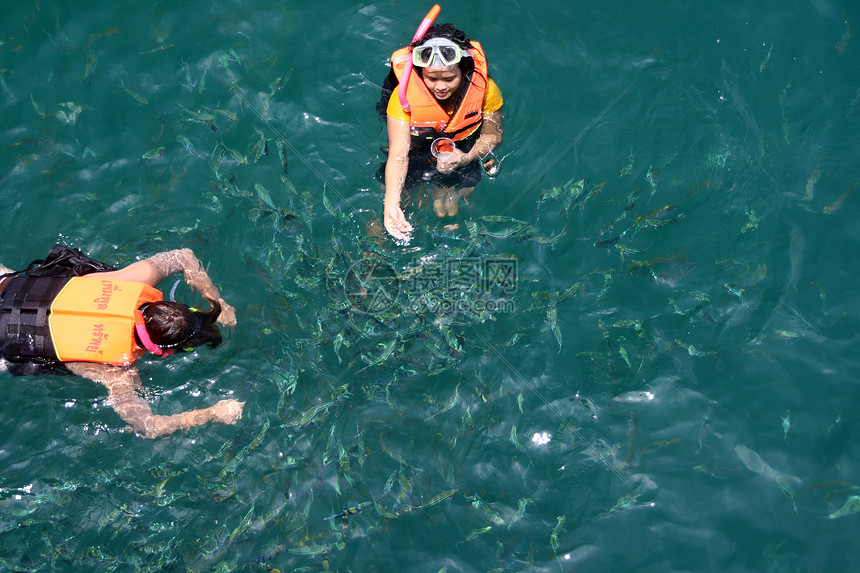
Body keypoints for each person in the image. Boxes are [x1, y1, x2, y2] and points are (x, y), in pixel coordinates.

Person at [0, 244, 244, 438]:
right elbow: (149, 426)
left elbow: (182, 256)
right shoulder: (116, 369)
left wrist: (219, 304)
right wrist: (213, 413)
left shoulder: (132, 283)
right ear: (163, 351)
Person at [378, 23, 504, 240]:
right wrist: (391, 203)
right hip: (416, 146)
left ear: (465, 72)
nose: (440, 87)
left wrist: (466, 157)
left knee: (453, 208)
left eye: (449, 78)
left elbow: (493, 135)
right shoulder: (402, 97)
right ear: (420, 72)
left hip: (462, 145)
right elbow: (399, 153)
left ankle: (443, 189)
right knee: (392, 212)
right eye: (432, 78)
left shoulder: (485, 89)